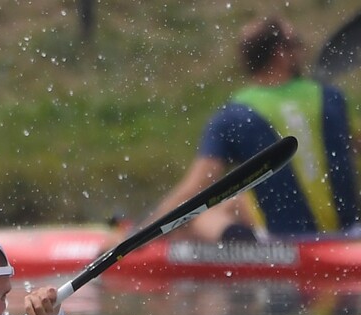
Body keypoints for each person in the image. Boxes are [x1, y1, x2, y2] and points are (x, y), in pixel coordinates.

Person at [148, 15, 359, 242]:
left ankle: (150, 242)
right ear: (280, 53)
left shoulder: (232, 116)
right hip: (350, 236)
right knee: (236, 202)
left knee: (199, 214)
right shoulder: (331, 98)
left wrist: (140, 231)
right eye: (296, 44)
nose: (303, 50)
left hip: (286, 246)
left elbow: (193, 191)